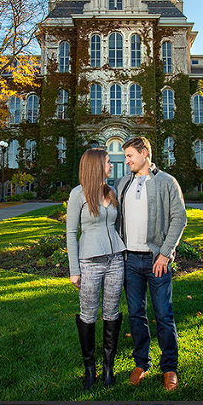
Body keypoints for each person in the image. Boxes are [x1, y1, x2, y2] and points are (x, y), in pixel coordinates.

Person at [116, 136, 187, 393]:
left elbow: (179, 218)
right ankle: (141, 363)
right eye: (125, 157)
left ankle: (169, 367)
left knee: (164, 316)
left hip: (157, 260)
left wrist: (165, 254)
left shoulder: (167, 182)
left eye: (130, 156)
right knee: (136, 314)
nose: (127, 161)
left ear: (145, 153)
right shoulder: (123, 183)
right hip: (130, 260)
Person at [66, 147, 125, 389]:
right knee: (88, 315)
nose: (112, 166)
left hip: (115, 261)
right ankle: (90, 369)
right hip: (89, 262)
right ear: (96, 165)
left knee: (112, 314)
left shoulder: (111, 193)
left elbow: (118, 225)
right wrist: (74, 270)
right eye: (109, 162)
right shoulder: (78, 195)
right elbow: (71, 233)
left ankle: (108, 369)